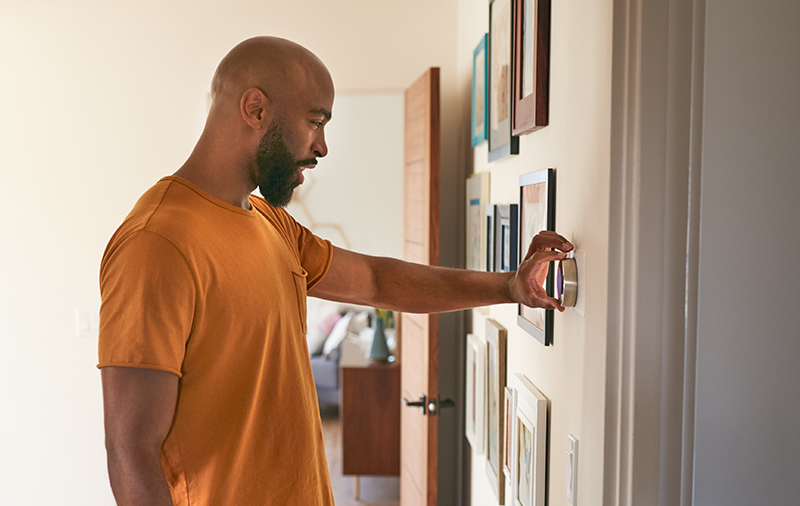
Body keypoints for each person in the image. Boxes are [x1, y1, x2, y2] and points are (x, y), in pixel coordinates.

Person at [98, 36, 572, 506]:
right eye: (315, 121)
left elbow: (376, 281)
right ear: (256, 109)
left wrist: (509, 286)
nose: (322, 146)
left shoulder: (269, 222)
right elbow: (130, 453)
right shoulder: (156, 244)